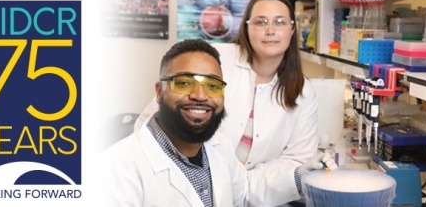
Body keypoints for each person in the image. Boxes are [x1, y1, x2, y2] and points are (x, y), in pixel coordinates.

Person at [134, 0, 330, 206]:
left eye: (280, 22)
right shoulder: (215, 60)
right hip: (181, 187)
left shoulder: (303, 91)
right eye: (260, 22)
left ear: (292, 29)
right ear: (246, 27)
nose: (270, 30)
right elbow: (154, 122)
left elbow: (295, 161)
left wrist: (244, 181)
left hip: (258, 194)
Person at [98, 39, 334, 207]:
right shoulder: (115, 169)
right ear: (159, 92)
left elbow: (244, 193)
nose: (200, 96)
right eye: (184, 83)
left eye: (212, 86)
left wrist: (299, 176)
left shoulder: (219, 147)